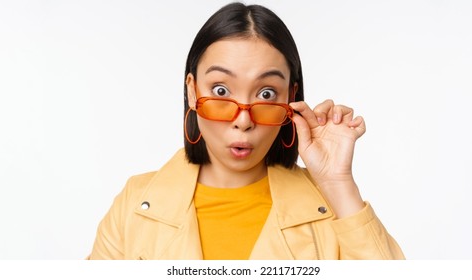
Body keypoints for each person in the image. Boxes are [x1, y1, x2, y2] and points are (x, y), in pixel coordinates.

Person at [88, 2, 404, 260]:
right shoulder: (135, 205)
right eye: (222, 90)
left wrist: (337, 184)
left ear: (290, 98)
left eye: (266, 93)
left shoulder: (330, 207)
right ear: (192, 92)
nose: (243, 120)